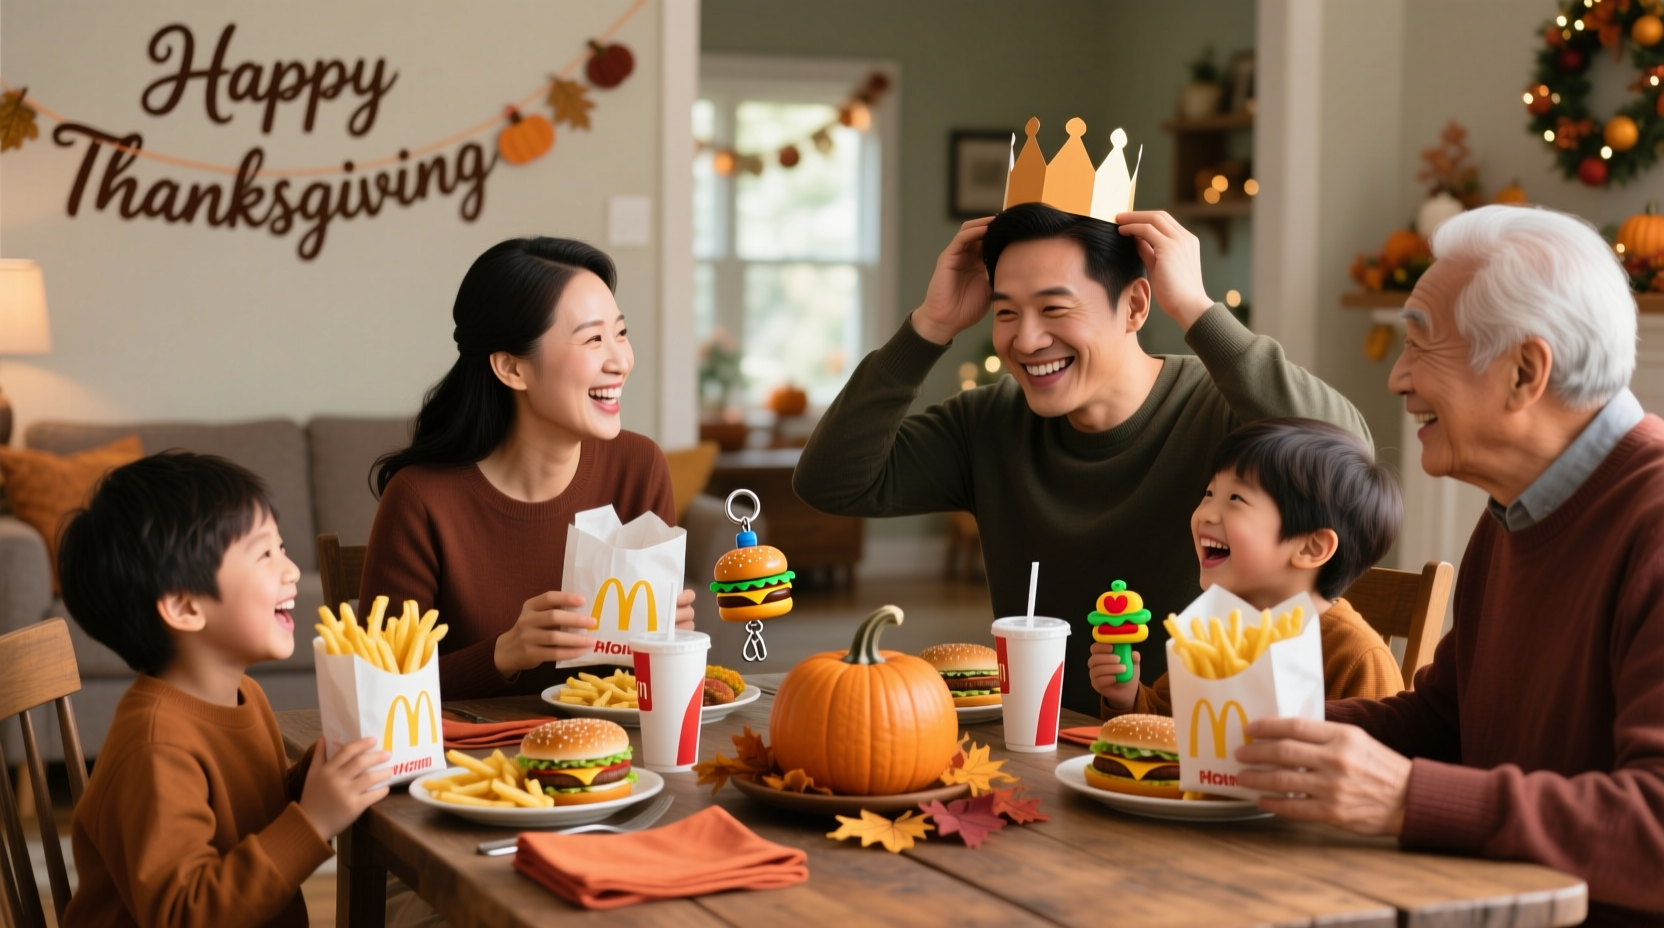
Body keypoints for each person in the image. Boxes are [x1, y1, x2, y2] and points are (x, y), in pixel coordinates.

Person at [1234, 206, 1664, 924]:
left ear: (1525, 371)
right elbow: (1448, 721)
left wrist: (1405, 797)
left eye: (1421, 346)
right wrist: (1252, 728)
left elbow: (1653, 828)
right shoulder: (1516, 513)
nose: (1398, 378)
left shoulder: (1650, 520)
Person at [793, 204, 1370, 714]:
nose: (1026, 341)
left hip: (1185, 755)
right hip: (1033, 751)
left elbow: (1347, 460)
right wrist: (930, 326)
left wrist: (1197, 309)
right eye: (1007, 313)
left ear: (1136, 306)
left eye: (1055, 308)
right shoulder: (988, 423)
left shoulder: (1220, 411)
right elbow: (831, 483)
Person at [56, 452, 390, 928]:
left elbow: (246, 818)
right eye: (265, 554)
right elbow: (185, 914)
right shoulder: (155, 748)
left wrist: (308, 783)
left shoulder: (245, 694)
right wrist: (313, 821)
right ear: (184, 605)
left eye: (283, 547)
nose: (292, 570)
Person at [361, 237, 695, 700]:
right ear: (511, 368)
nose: (621, 360)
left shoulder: (639, 467)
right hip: (467, 769)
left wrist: (669, 642)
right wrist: (504, 653)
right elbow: (378, 690)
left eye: (621, 333)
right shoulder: (421, 499)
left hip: (620, 765)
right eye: (593, 339)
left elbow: (650, 690)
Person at [1090, 417, 1404, 717]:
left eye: (1236, 498)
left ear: (1311, 547)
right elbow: (1167, 724)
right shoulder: (1217, 627)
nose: (1207, 514)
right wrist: (1126, 696)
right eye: (1210, 493)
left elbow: (1377, 764)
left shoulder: (1356, 658)